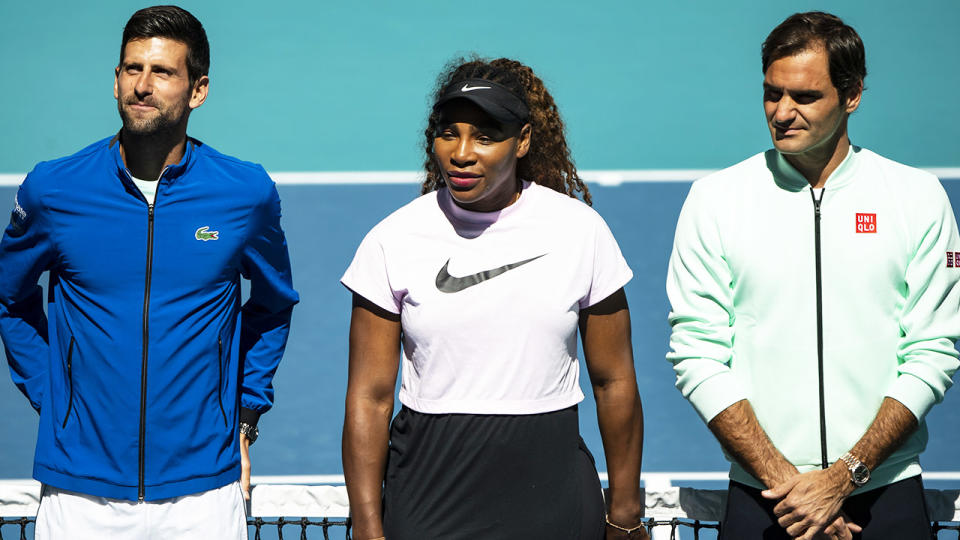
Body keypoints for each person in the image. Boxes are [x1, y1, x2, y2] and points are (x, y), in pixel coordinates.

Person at [0, 5, 298, 538]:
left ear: (198, 89)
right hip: (77, 494)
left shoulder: (244, 193)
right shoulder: (53, 190)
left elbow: (273, 305)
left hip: (203, 494)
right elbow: (8, 297)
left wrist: (245, 414)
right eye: (132, 69)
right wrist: (55, 395)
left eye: (162, 72)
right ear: (115, 80)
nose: (142, 85)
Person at [666, 11, 960, 540]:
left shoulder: (920, 201)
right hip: (767, 497)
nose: (781, 112)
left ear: (852, 95)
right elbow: (696, 353)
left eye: (804, 97)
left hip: (885, 492)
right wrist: (795, 490)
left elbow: (934, 350)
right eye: (771, 93)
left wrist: (844, 477)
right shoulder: (713, 202)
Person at [341, 57, 647, 540]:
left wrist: (625, 514)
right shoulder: (391, 240)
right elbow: (369, 398)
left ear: (522, 141)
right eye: (449, 133)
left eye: (485, 136)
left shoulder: (580, 231)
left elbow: (615, 381)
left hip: (554, 496)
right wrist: (366, 526)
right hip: (429, 494)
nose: (461, 153)